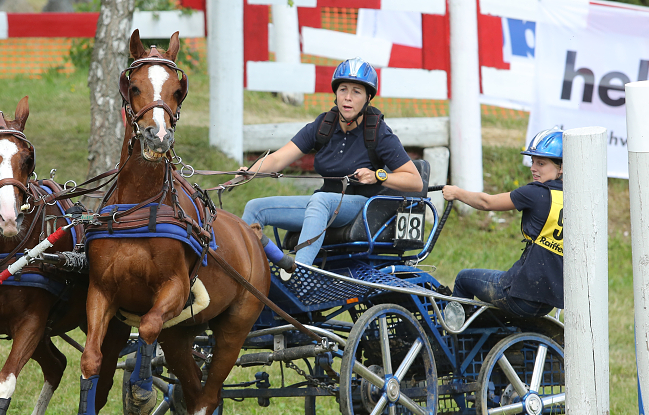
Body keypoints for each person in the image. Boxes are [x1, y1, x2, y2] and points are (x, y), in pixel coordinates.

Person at [239, 58, 423, 275]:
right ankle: (238, 277)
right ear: (335, 94)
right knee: (255, 207)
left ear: (368, 98)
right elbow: (278, 159)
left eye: (356, 92)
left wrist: (378, 176)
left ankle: (302, 274)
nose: (347, 97)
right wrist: (249, 171)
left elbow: (415, 180)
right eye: (343, 89)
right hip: (323, 206)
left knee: (320, 200)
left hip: (361, 208)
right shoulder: (324, 125)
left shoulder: (379, 132)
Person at [441, 128, 564, 317]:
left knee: (463, 278)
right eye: (532, 162)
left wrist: (456, 193)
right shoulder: (575, 199)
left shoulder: (535, 193)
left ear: (561, 167)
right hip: (549, 301)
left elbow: (486, 202)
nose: (533, 168)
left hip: (520, 295)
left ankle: (453, 339)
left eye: (541, 163)